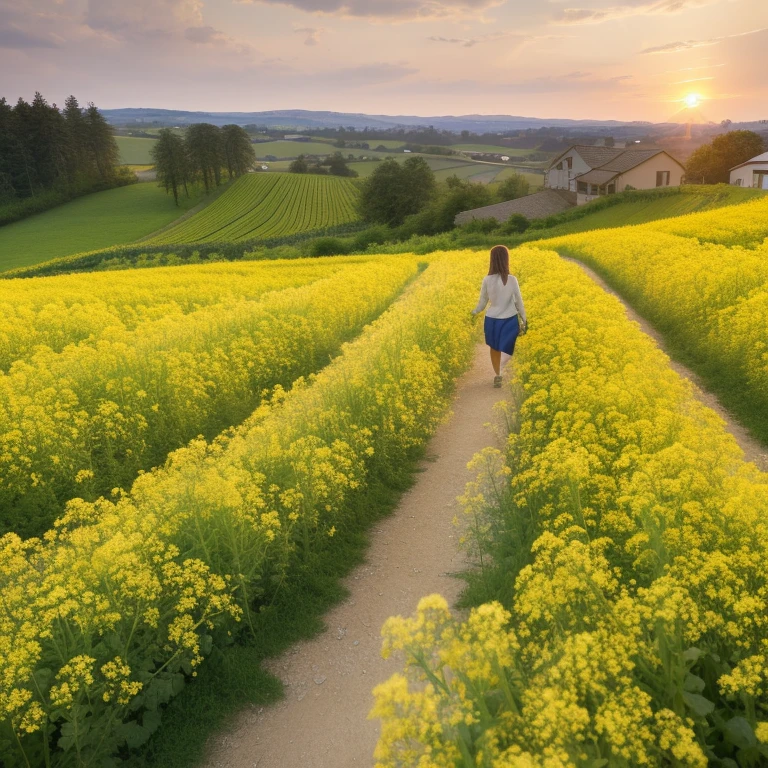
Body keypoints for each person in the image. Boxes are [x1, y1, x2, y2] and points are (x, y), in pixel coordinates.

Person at [471, 245, 527, 388]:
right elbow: (519, 301)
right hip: (510, 319)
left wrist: (472, 313)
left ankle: (498, 374)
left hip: (492, 319)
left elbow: (482, 303)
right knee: (508, 348)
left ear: (492, 260)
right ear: (506, 259)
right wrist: (524, 319)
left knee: (495, 348)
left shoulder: (487, 280)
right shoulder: (512, 279)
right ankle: (500, 371)